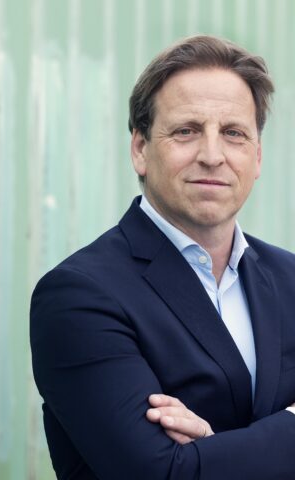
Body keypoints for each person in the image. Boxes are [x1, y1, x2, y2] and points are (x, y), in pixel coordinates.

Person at [30, 35, 295, 480]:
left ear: (257, 156)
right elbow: (159, 474)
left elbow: (191, 467)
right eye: (186, 131)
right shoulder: (78, 296)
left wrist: (209, 447)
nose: (212, 156)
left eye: (233, 134)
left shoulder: (289, 279)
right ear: (140, 149)